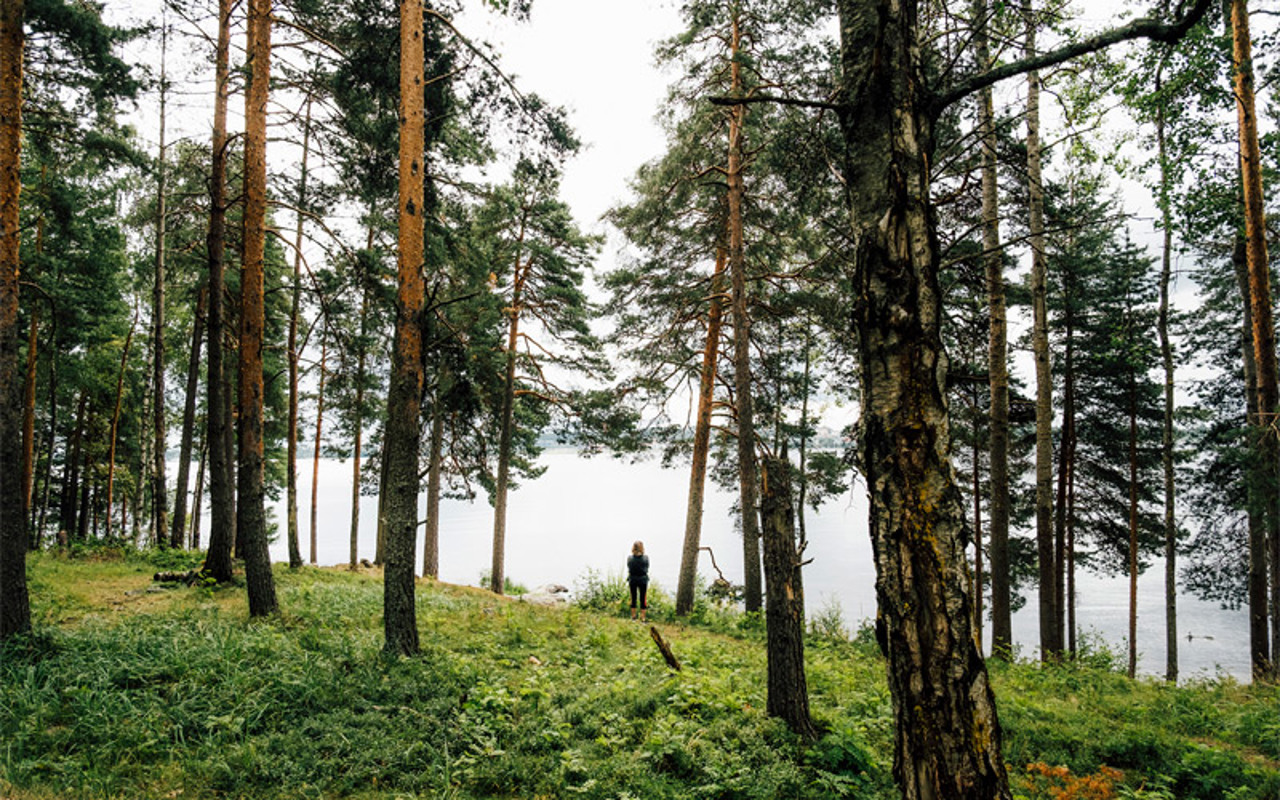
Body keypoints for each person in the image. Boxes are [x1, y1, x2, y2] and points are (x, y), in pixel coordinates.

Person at [627, 540, 649, 622]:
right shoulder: (646, 558)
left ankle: (633, 617)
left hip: (633, 579)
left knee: (633, 598)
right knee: (643, 598)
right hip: (643, 580)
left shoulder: (630, 558)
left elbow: (629, 568)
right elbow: (647, 568)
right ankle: (643, 618)